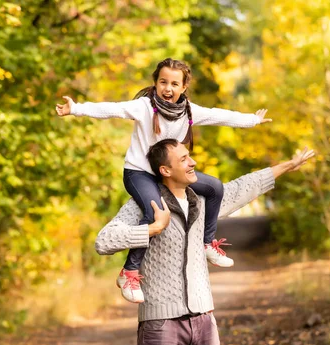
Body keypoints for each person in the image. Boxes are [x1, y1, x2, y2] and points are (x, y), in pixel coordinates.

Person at [56, 58, 272, 303]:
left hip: (167, 173)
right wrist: (76, 109)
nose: (168, 88)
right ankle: (129, 272)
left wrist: (251, 120)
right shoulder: (144, 107)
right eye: (163, 82)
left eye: (174, 84)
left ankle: (207, 243)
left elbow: (217, 116)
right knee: (155, 213)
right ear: (156, 83)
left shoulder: (189, 111)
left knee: (214, 187)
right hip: (139, 174)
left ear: (183, 87)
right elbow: (112, 109)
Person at [95, 139, 315, 345]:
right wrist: (153, 228)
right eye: (183, 159)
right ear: (165, 170)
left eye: (189, 156)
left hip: (204, 320)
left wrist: (288, 165)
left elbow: (244, 186)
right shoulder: (143, 204)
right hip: (160, 322)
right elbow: (104, 241)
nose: (193, 163)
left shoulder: (202, 200)